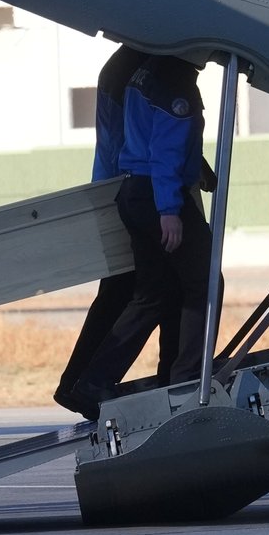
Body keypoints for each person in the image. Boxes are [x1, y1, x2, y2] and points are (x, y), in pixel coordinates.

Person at [69, 55, 216, 419]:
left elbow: (147, 136)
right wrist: (170, 210)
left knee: (153, 293)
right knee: (205, 283)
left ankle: (93, 382)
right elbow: (165, 151)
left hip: (132, 192)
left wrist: (196, 164)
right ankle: (185, 378)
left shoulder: (138, 72)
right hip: (159, 197)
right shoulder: (177, 83)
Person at [54, 47, 177, 413]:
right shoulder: (142, 70)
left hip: (113, 187)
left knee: (116, 294)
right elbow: (142, 137)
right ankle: (85, 384)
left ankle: (75, 383)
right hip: (127, 188)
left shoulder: (122, 67)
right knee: (146, 291)